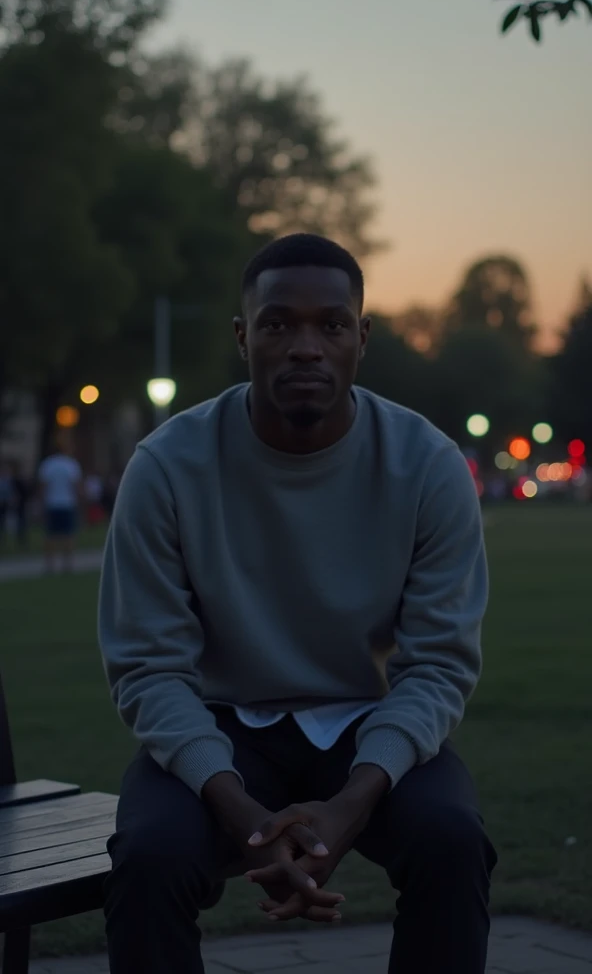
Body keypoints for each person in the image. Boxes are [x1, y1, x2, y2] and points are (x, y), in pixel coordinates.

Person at [99, 233, 497, 974]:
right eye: (279, 324)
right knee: (150, 856)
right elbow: (149, 669)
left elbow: (438, 666)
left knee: (451, 839)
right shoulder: (168, 467)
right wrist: (239, 810)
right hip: (221, 724)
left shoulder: (427, 464)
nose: (306, 346)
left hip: (365, 719)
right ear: (244, 336)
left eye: (331, 324)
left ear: (361, 337)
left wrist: (353, 801)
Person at [38, 435, 83, 574]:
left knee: (50, 536)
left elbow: (43, 487)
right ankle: (67, 565)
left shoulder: (47, 464)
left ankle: (50, 566)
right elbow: (76, 486)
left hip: (52, 504)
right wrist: (80, 503)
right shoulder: (70, 464)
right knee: (68, 535)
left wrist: (41, 504)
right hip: (67, 503)